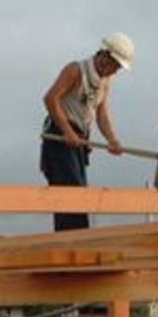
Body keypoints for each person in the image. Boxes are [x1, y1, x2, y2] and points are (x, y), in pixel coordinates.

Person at [40, 32, 134, 231]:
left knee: (79, 192)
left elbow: (101, 115)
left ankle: (77, 241)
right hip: (59, 136)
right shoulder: (75, 70)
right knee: (70, 192)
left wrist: (111, 139)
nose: (114, 71)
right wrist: (66, 131)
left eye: (118, 69)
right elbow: (50, 99)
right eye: (114, 65)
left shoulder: (104, 82)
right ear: (104, 55)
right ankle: (72, 244)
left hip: (80, 139)